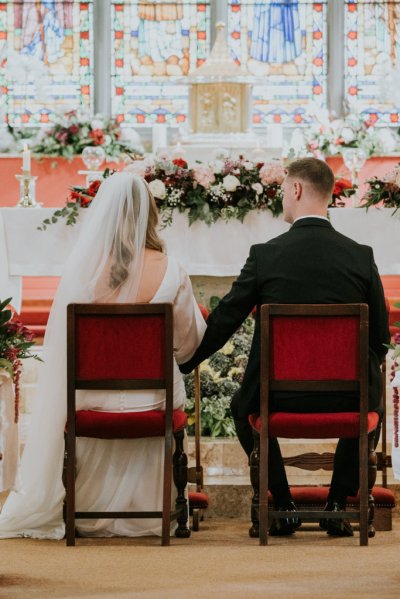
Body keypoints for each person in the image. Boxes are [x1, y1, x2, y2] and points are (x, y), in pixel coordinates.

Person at [180, 157, 390, 538]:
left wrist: (187, 359)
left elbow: (226, 318)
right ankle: (338, 505)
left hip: (276, 399)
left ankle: (283, 504)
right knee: (369, 404)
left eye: (283, 190)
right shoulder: (361, 257)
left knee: (242, 408)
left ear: (296, 189)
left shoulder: (266, 255)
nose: (281, 198)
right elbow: (379, 337)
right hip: (348, 401)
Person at [0, 172, 205, 539]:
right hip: (154, 399)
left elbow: (64, 347)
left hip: (91, 398)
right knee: (172, 381)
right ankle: (160, 511)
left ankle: (80, 509)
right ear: (151, 214)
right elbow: (188, 343)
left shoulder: (84, 274)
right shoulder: (171, 269)